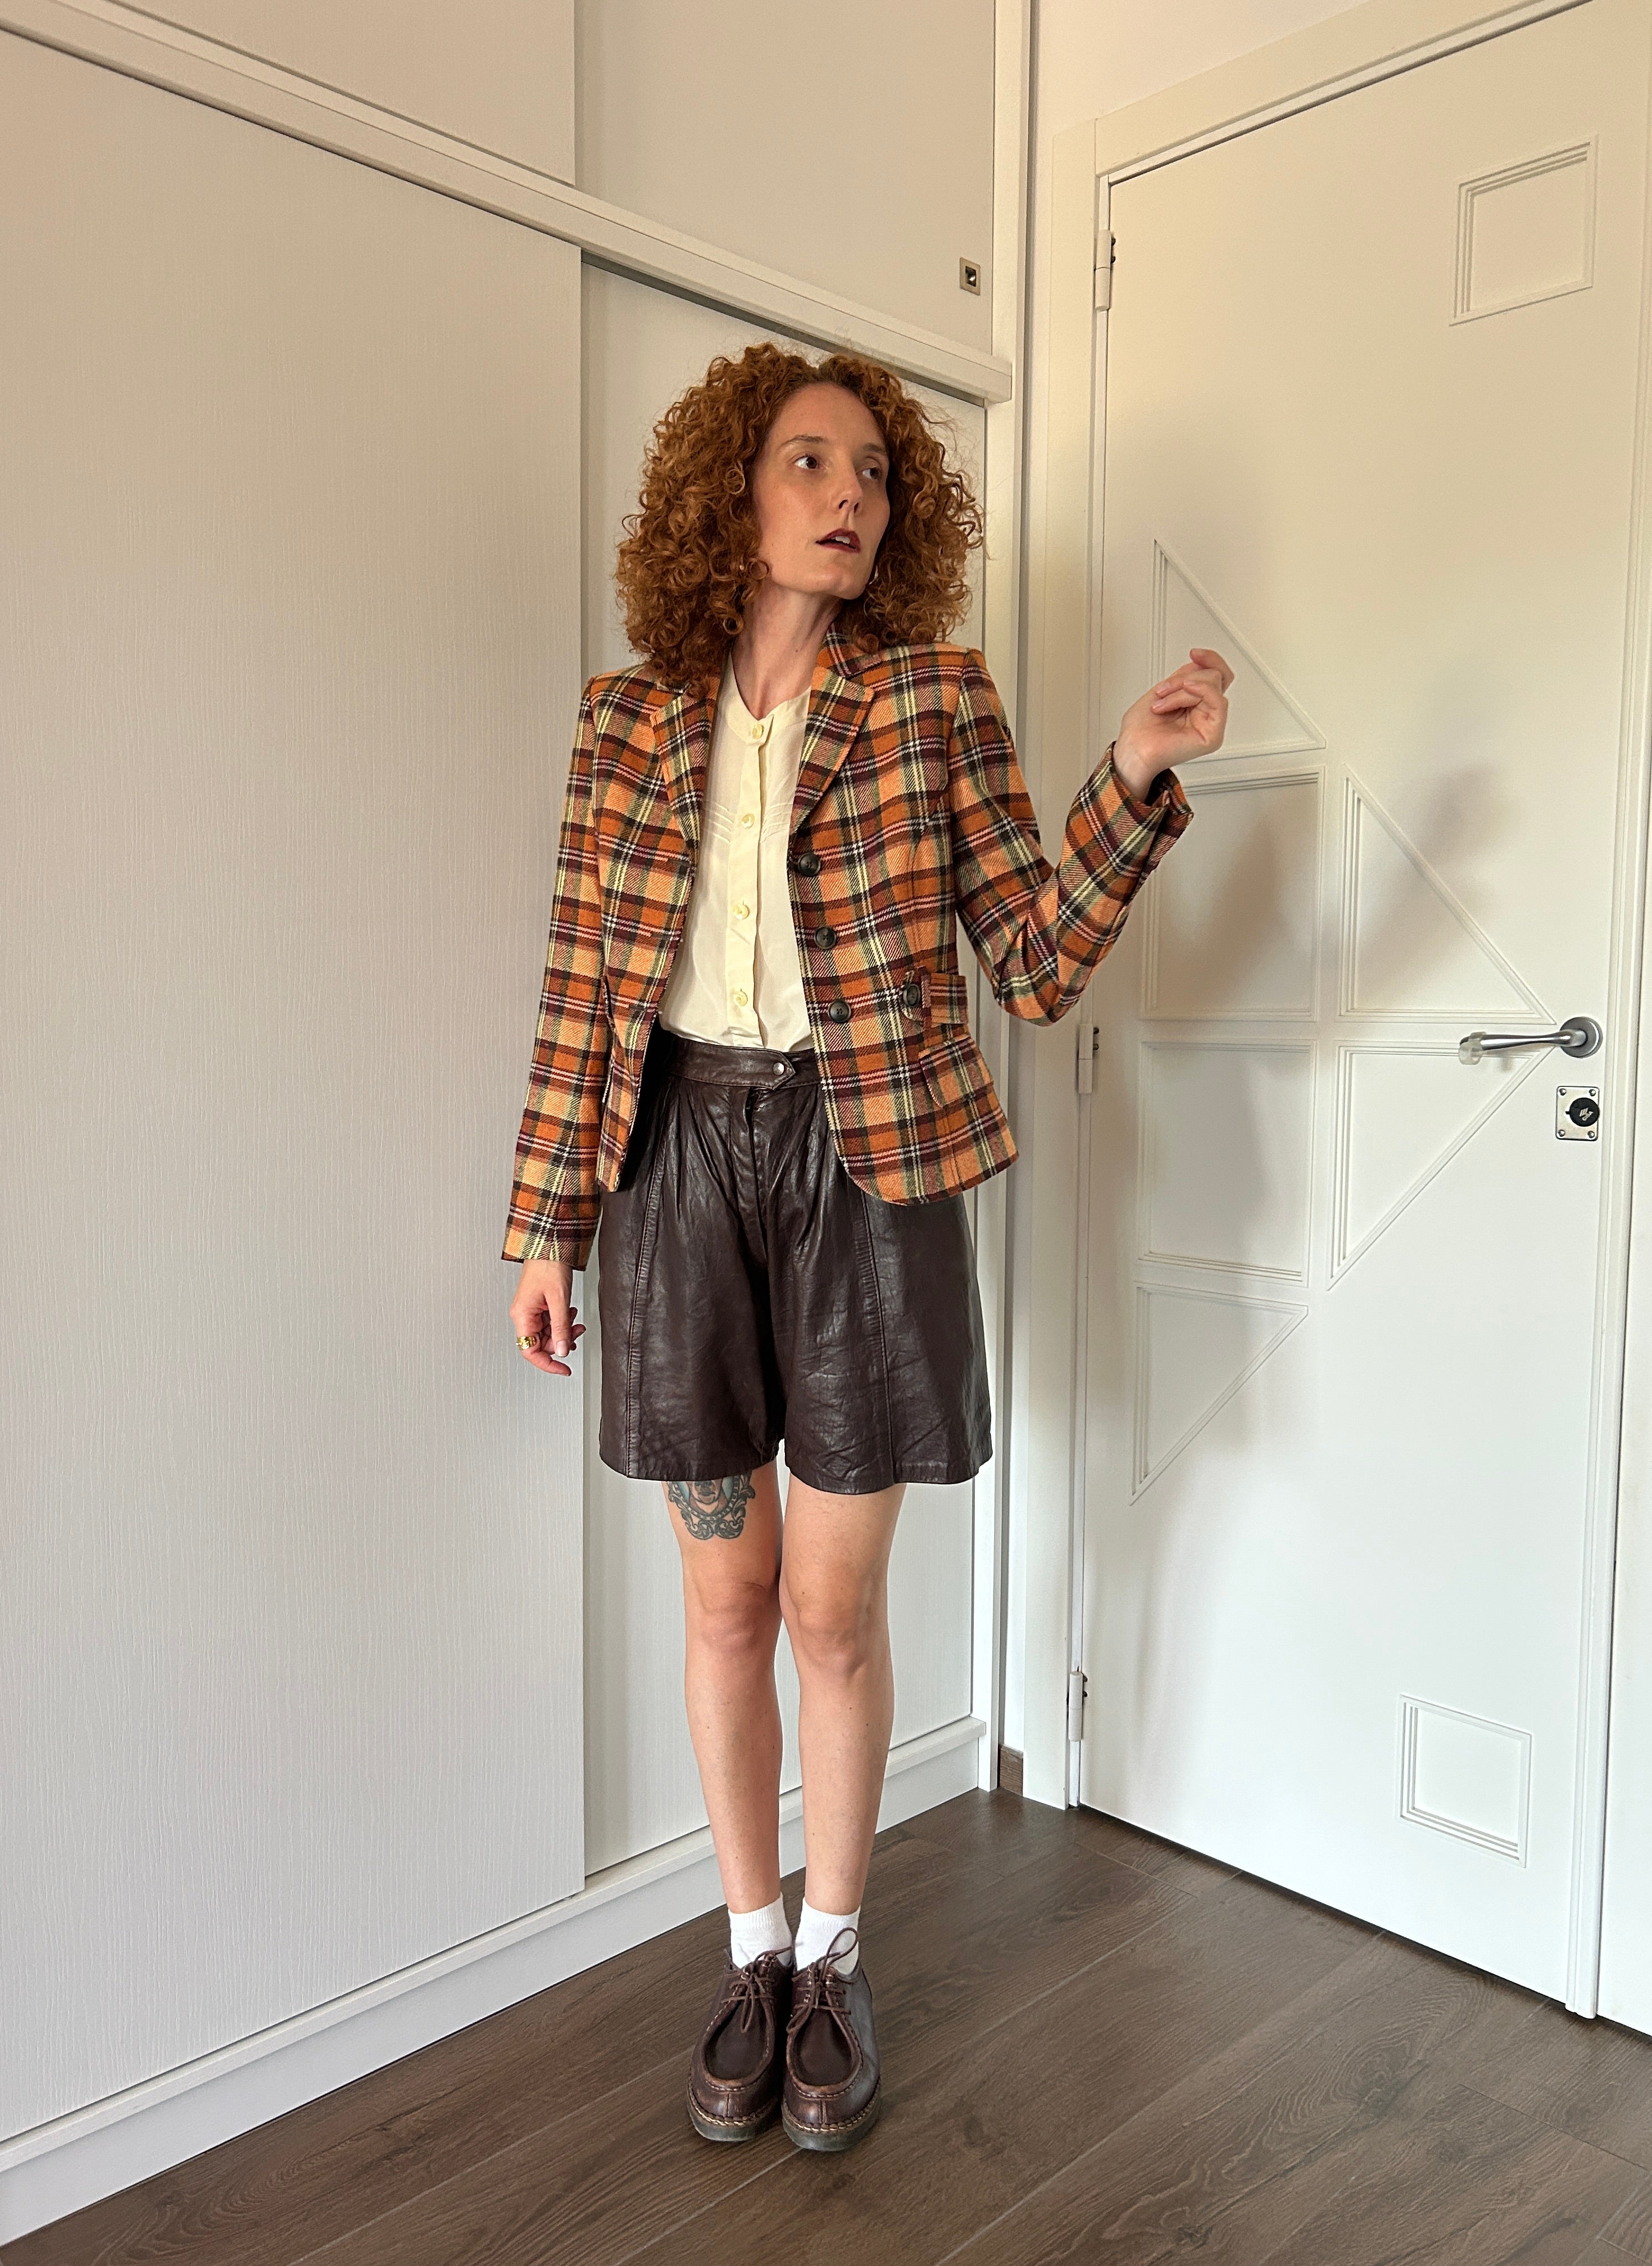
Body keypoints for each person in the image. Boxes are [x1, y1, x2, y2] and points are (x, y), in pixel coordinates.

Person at [503, 341, 1229, 2154]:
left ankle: (835, 1957)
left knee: (829, 1610)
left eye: (877, 474)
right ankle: (749, 1956)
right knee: (723, 1600)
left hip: (866, 1164)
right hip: (672, 1167)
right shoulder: (623, 724)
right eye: (810, 463)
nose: (850, 498)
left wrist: (1134, 771)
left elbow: (1034, 958)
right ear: (728, 497)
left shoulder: (929, 701)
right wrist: (547, 1226)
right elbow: (584, 992)